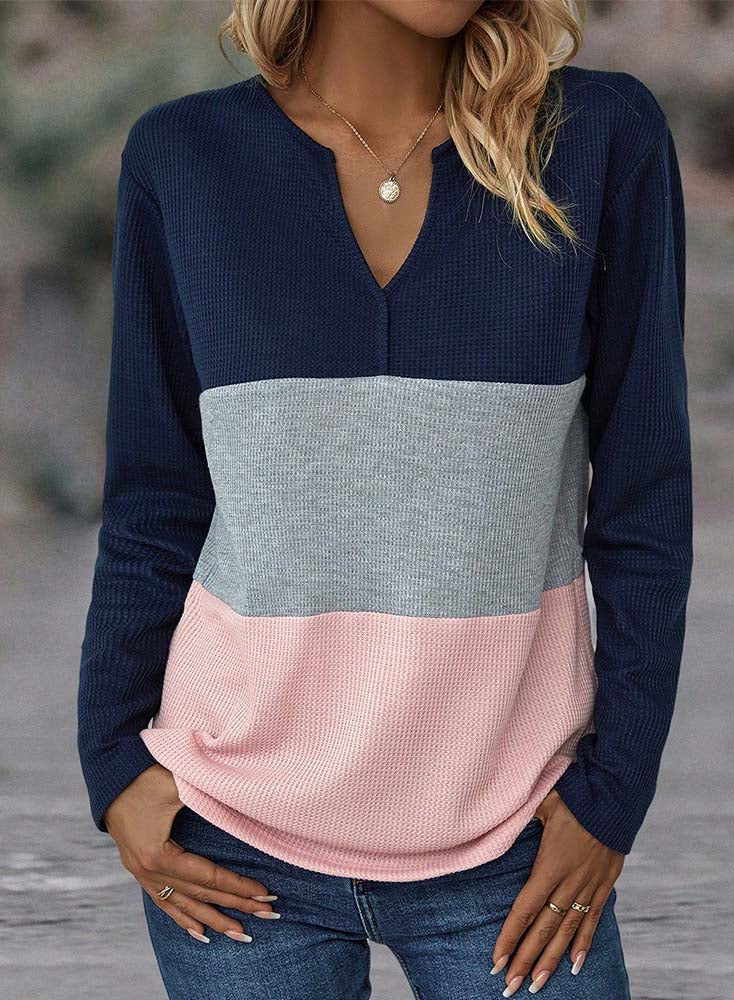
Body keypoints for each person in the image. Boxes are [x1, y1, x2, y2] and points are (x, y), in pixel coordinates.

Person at [76, 1, 693, 997]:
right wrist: (113, 763)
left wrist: (611, 796)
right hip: (229, 828)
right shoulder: (183, 157)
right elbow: (155, 497)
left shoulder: (597, 140)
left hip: (515, 839)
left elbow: (643, 498)